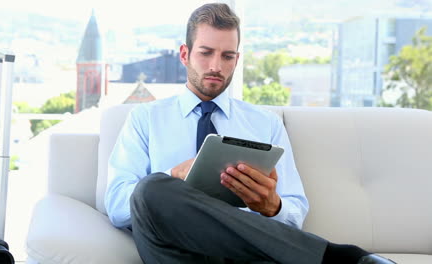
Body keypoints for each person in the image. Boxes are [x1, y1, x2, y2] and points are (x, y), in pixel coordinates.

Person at [105, 3, 395, 264]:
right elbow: (118, 206)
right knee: (150, 190)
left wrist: (273, 207)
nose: (216, 66)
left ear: (237, 59)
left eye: (227, 56)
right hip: (175, 254)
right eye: (206, 53)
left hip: (243, 258)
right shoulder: (145, 118)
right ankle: (335, 258)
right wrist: (174, 175)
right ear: (185, 54)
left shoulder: (265, 124)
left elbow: (294, 210)